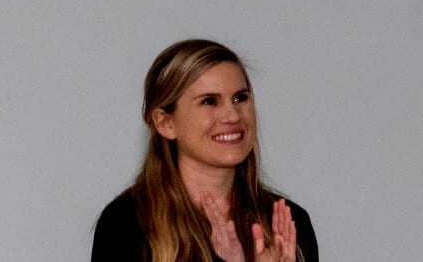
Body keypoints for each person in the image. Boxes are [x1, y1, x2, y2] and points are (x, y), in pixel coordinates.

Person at [93, 39, 317, 262]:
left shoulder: (287, 224)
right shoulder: (127, 222)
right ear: (165, 123)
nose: (233, 115)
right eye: (209, 101)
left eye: (240, 98)